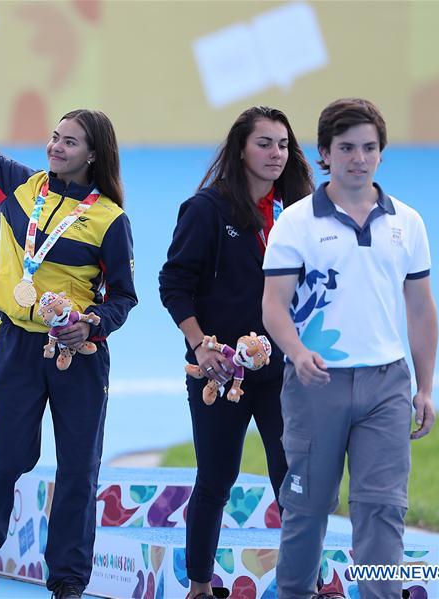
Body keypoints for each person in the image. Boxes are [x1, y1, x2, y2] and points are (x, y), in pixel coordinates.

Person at [0, 23, 138, 599]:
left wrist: (91, 324)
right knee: (6, 458)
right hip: (18, 344)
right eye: (54, 137)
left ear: (93, 155)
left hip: (79, 354)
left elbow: (122, 297)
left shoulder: (109, 220)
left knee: (79, 471)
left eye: (69, 142)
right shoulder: (20, 188)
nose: (56, 147)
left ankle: (69, 581)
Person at [262, 98, 438, 599]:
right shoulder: (295, 223)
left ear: (381, 153)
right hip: (316, 383)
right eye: (346, 148)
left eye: (369, 147)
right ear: (324, 153)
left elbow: (421, 310)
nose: (358, 158)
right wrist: (296, 352)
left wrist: (424, 389)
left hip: (387, 384)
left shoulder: (409, 223)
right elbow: (273, 305)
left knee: (382, 507)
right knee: (308, 506)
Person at [159, 107, 314, 599]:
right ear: (240, 149)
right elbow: (174, 283)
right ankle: (200, 588)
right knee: (217, 478)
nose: (275, 153)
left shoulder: (299, 212)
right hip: (218, 373)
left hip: (282, 370)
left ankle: (300, 584)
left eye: (283, 144)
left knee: (292, 476)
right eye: (264, 143)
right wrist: (201, 345)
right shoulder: (206, 209)